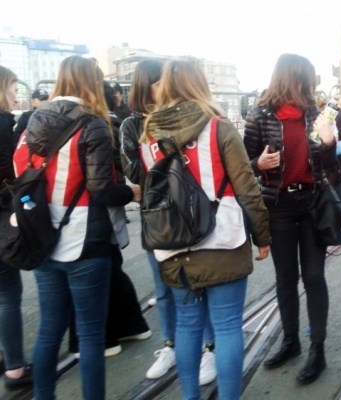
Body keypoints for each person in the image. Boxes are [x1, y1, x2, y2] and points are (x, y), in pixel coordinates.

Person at [140, 58, 271, 400]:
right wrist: (262, 236)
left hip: (173, 244)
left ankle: (189, 397)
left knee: (187, 325)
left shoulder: (148, 135)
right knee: (227, 327)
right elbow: (247, 188)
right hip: (222, 239)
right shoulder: (219, 127)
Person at [13, 55, 139, 399]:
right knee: (91, 334)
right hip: (86, 240)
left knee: (49, 330)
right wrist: (131, 191)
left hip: (40, 237)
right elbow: (101, 189)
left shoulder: (31, 120)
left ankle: (43, 396)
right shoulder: (93, 124)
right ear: (91, 83)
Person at [120, 58, 217, 385]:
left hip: (190, 212)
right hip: (157, 216)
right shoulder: (132, 126)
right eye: (160, 80)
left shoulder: (184, 115)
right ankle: (171, 345)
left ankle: (211, 348)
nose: (166, 85)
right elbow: (134, 172)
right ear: (147, 84)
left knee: (198, 284)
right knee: (164, 289)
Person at [243, 53, 337, 385]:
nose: (314, 85)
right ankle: (291, 341)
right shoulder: (259, 116)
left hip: (311, 203)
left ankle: (317, 349)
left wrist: (329, 143)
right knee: (285, 279)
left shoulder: (317, 114)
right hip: (279, 205)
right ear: (295, 78)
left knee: (314, 278)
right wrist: (259, 164)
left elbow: (331, 169)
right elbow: (243, 161)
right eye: (310, 78)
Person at [66, 81, 152, 359]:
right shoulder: (107, 123)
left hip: (85, 214)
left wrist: (126, 192)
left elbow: (101, 183)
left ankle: (101, 337)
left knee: (93, 275)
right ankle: (130, 324)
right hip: (98, 213)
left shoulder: (95, 125)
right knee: (110, 268)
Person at [0, 64, 33, 390]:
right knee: (8, 295)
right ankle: (15, 369)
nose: (15, 94)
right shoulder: (2, 127)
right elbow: (9, 177)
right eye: (12, 87)